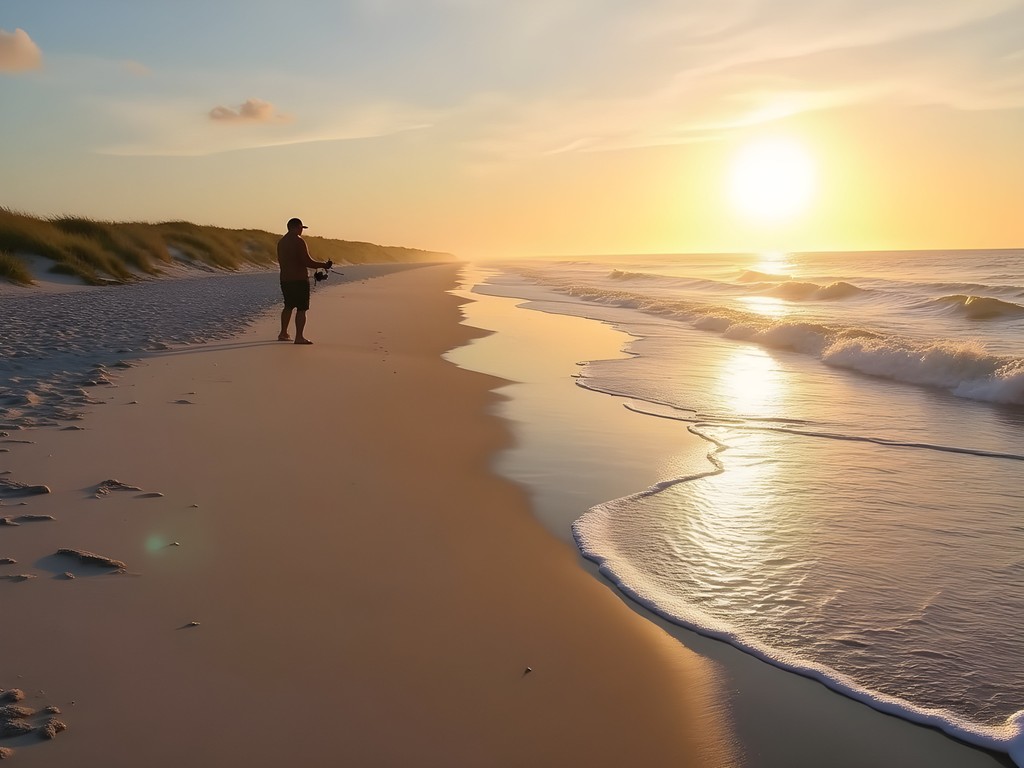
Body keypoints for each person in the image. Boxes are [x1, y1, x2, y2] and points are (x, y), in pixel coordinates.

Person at [277, 217, 332, 344]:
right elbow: (307, 262)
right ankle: (299, 337)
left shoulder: (282, 242)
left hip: (285, 279)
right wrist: (324, 265)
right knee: (302, 308)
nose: (301, 231)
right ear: (296, 228)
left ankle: (283, 333)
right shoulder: (299, 241)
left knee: (288, 306)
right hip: (299, 280)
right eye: (301, 228)